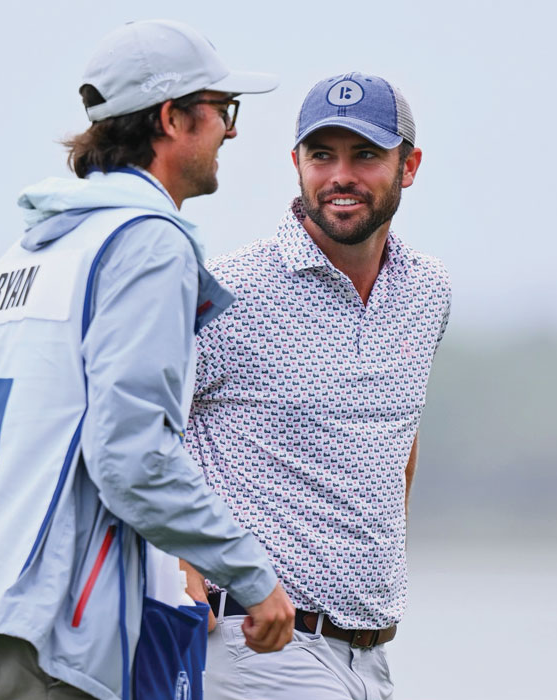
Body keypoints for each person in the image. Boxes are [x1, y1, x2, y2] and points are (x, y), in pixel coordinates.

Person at [0, 20, 295, 700]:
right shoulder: (149, 245)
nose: (231, 132)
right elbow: (132, 457)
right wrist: (252, 579)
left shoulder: (26, 251)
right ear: (171, 119)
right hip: (63, 642)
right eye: (221, 111)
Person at [183, 72, 452, 699]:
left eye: (365, 155)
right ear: (297, 164)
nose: (341, 176)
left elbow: (397, 438)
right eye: (322, 155)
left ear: (408, 167)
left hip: (370, 652)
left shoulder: (426, 290)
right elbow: (136, 432)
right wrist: (182, 572)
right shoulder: (228, 289)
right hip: (254, 647)